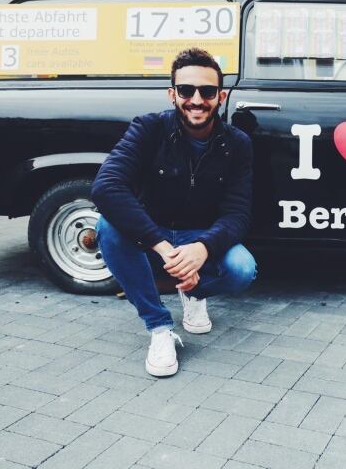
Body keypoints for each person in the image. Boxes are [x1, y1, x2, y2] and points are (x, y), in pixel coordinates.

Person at [91, 47, 257, 377]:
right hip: (154, 236)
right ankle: (159, 328)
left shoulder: (237, 143)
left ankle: (192, 291)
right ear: (172, 94)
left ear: (221, 97)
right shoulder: (148, 129)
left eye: (207, 91)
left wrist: (202, 249)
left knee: (243, 269)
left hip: (200, 236)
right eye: (186, 90)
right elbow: (105, 187)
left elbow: (237, 214)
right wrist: (166, 250)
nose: (197, 100)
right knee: (107, 227)